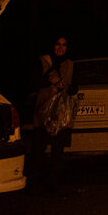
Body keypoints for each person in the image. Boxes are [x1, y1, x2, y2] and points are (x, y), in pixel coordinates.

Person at [31, 35, 74, 192]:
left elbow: (75, 87)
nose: (60, 48)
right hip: (44, 112)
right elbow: (33, 83)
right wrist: (50, 81)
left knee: (57, 151)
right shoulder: (43, 61)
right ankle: (34, 184)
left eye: (64, 45)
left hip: (60, 114)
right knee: (39, 150)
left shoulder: (69, 64)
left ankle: (53, 184)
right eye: (58, 44)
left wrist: (65, 86)